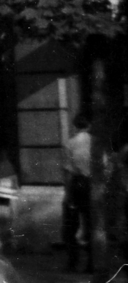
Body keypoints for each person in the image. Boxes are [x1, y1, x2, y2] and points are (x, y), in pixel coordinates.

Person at [61, 113, 96, 274]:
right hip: (93, 186)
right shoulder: (96, 142)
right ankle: (91, 262)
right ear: (89, 125)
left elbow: (68, 171)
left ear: (75, 126)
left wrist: (68, 194)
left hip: (77, 185)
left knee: (71, 226)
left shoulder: (71, 143)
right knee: (91, 225)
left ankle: (72, 261)